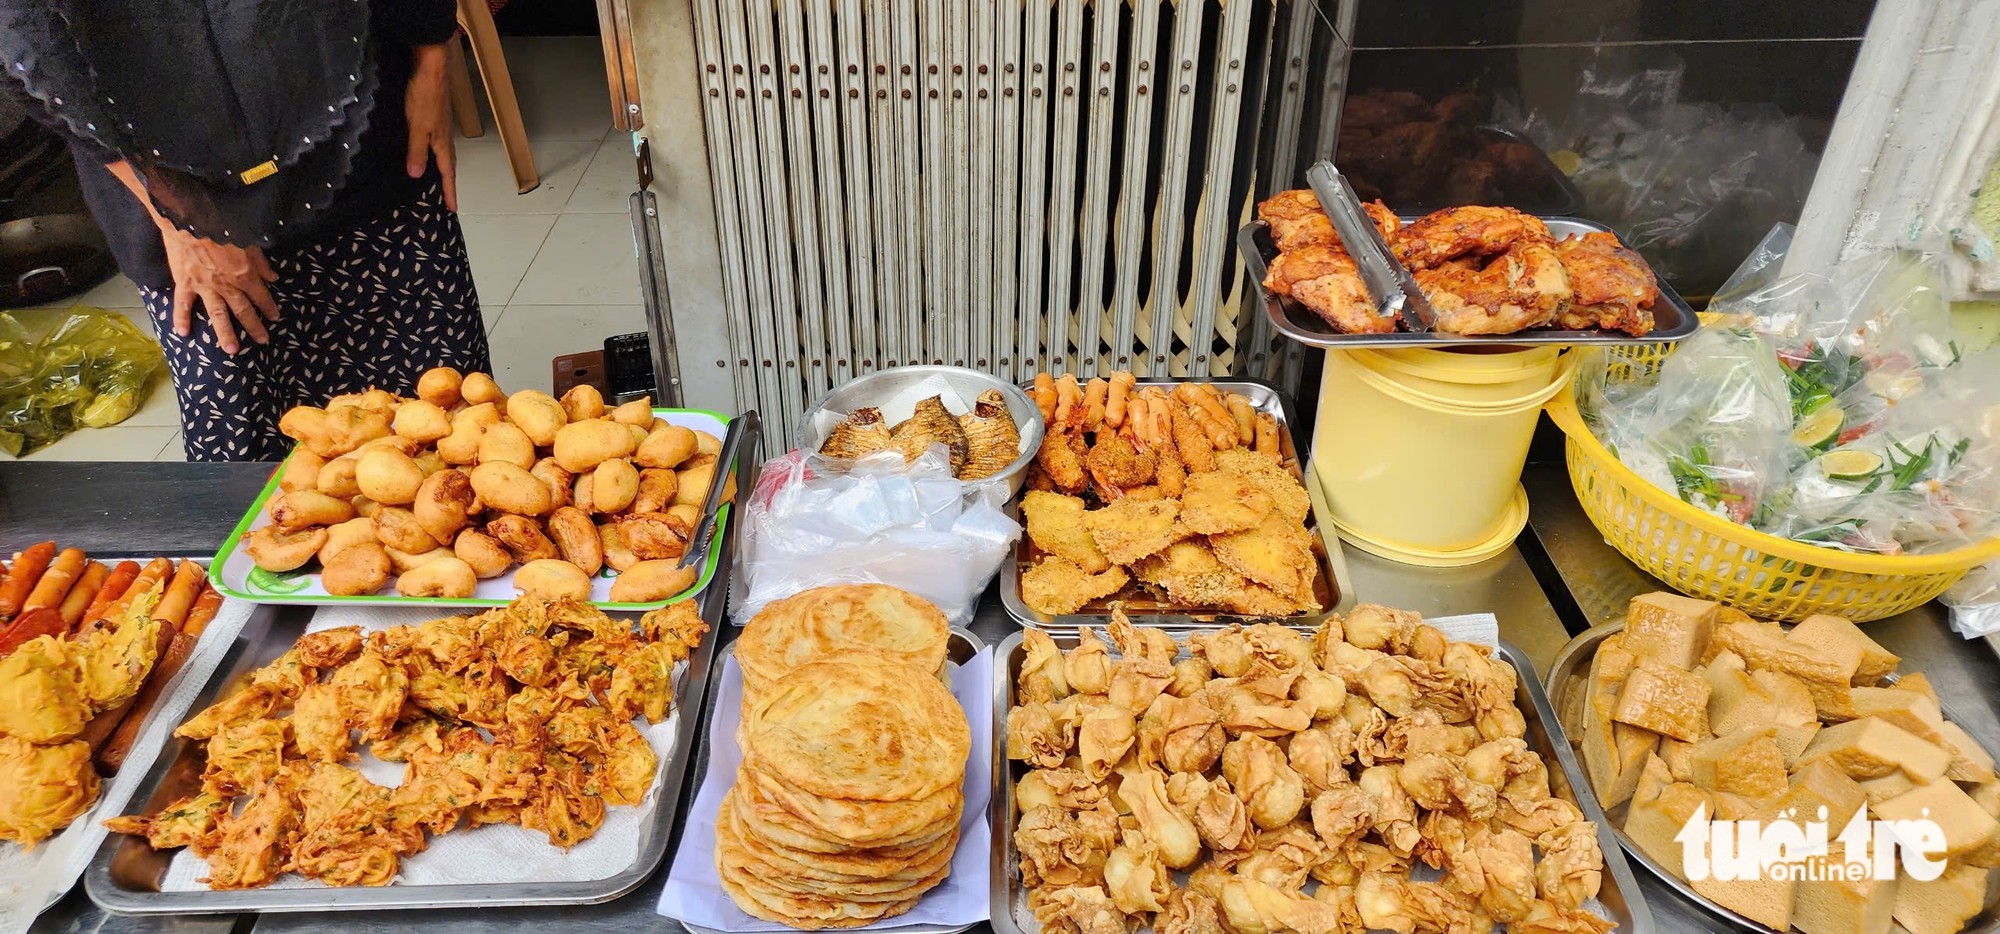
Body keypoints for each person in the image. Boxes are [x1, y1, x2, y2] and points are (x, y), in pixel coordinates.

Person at [0, 0, 492, 460]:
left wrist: (432, 57)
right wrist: (184, 220)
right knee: (253, 480)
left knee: (450, 442)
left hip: (361, 127)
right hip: (173, 200)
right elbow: (27, 38)